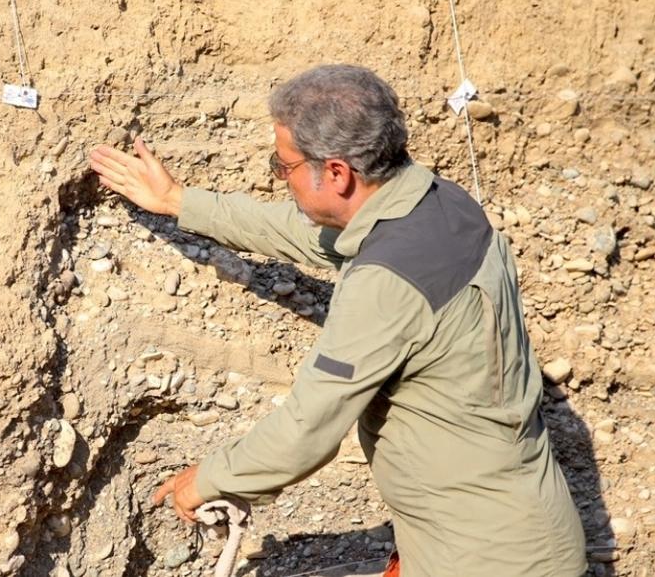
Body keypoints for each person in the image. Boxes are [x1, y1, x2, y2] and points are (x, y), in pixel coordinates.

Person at [88, 65, 587, 577]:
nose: (281, 179)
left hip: (485, 560)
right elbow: (314, 234)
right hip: (518, 531)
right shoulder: (439, 203)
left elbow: (309, 428)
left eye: (284, 167)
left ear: (336, 173)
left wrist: (210, 479)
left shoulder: (386, 282)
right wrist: (179, 202)